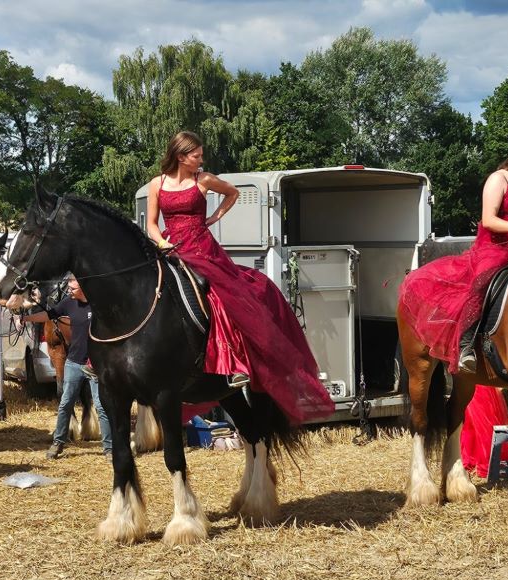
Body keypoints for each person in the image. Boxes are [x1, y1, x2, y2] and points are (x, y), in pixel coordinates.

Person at [145, 131, 333, 423]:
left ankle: (233, 363)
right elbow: (152, 225)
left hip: (201, 247)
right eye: (196, 156)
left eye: (200, 155)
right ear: (181, 156)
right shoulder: (157, 183)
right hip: (171, 246)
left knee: (220, 295)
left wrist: (213, 218)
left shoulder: (204, 180)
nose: (201, 160)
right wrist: (162, 243)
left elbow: (232, 193)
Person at [399, 139, 508, 374]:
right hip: (497, 246)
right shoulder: (498, 179)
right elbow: (489, 219)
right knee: (481, 284)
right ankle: (466, 346)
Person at [20, 275, 112, 459]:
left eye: (73, 288)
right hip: (74, 363)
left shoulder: (99, 304)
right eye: (69, 288)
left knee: (101, 407)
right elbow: (49, 314)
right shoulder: (69, 303)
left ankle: (109, 448)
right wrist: (26, 318)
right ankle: (58, 443)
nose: (69, 291)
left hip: (94, 366)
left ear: (84, 287)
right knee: (65, 404)